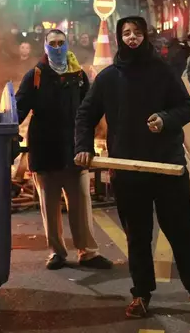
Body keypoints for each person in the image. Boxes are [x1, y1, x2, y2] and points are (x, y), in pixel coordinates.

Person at [74, 17, 190, 318]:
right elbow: (85, 114)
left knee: (181, 231)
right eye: (126, 33)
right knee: (138, 237)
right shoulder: (108, 78)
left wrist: (165, 119)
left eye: (137, 33)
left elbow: (186, 107)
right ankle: (141, 295)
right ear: (120, 38)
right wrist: (82, 147)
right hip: (129, 171)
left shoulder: (163, 73)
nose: (132, 38)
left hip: (167, 166)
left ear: (145, 36)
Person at [16, 29, 113, 271]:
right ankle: (57, 252)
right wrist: (6, 133)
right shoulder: (35, 75)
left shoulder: (77, 75)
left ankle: (87, 252)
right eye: (53, 43)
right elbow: (18, 110)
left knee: (80, 202)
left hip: (74, 149)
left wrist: (88, 145)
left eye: (61, 43)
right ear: (45, 47)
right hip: (45, 150)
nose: (57, 47)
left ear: (67, 44)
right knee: (49, 206)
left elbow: (88, 112)